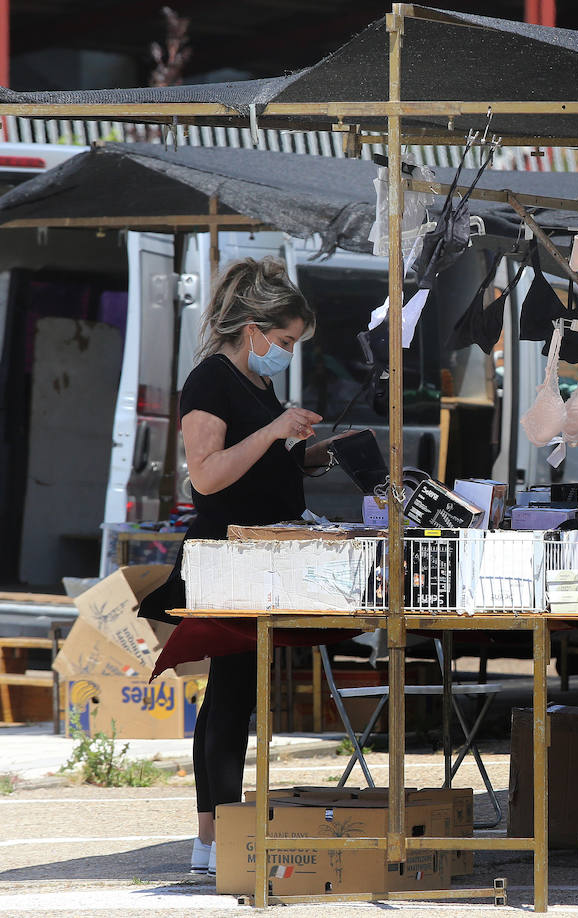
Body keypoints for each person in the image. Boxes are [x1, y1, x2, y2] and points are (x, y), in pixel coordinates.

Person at [137, 258, 339, 876]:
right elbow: (207, 475)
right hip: (226, 559)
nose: (285, 353)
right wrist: (275, 430)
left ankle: (220, 827)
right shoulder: (209, 381)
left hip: (264, 556)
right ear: (251, 329)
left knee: (242, 693)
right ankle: (211, 833)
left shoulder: (257, 384)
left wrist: (305, 453)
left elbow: (257, 463)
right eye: (283, 342)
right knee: (229, 694)